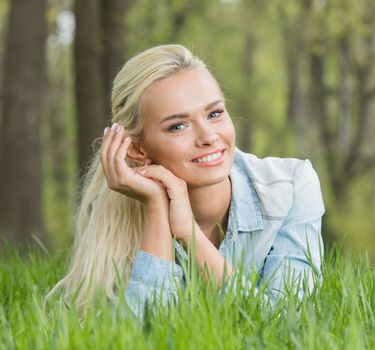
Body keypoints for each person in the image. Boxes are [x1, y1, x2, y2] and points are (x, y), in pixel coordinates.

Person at [46, 44, 325, 317]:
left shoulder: (291, 187)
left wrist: (189, 235)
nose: (208, 136)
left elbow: (289, 323)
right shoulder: (116, 213)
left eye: (215, 113)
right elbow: (137, 336)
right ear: (137, 149)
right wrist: (156, 206)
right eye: (178, 126)